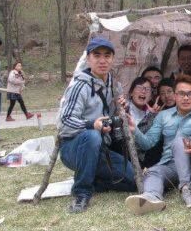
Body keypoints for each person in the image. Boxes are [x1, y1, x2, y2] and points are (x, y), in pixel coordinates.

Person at [57, 37, 137, 213]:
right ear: (88, 59)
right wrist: (92, 125)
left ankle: (95, 180)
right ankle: (82, 193)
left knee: (134, 180)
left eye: (107, 55)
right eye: (97, 55)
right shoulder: (79, 86)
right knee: (92, 136)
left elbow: (117, 117)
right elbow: (65, 122)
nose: (102, 60)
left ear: (112, 59)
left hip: (101, 149)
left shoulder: (114, 85)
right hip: (74, 148)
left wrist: (122, 108)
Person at [125, 75, 191, 213]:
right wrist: (134, 130)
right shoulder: (163, 115)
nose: (186, 98)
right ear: (175, 95)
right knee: (154, 171)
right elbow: (147, 143)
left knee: (179, 141)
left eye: (190, 94)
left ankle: (186, 187)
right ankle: (152, 197)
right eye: (181, 94)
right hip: (170, 164)